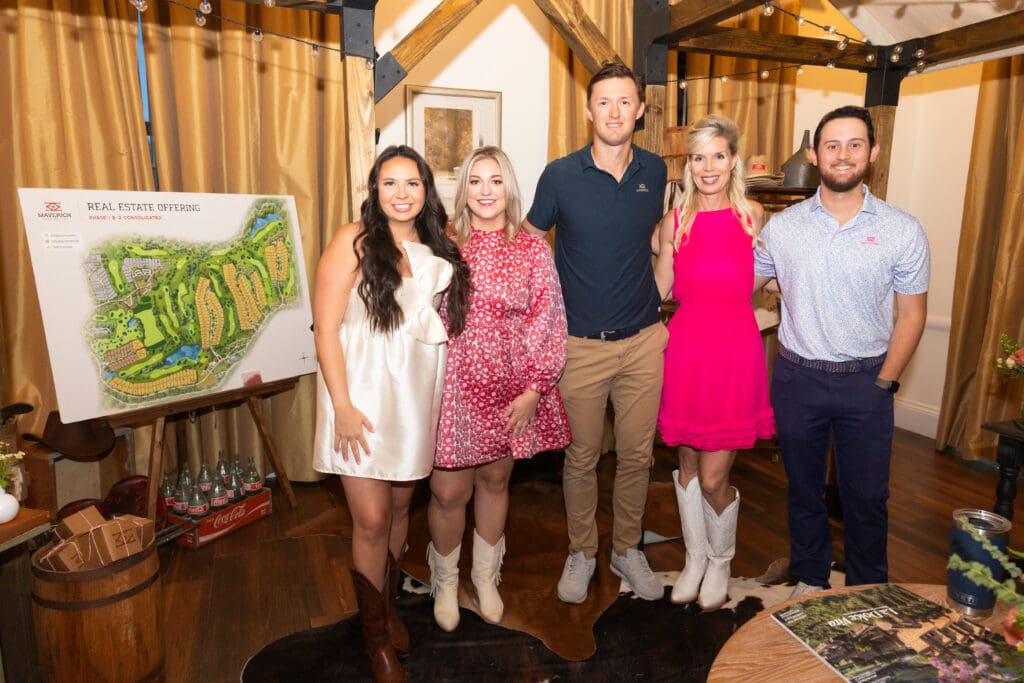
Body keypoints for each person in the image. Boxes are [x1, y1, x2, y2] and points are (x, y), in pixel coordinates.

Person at [753, 105, 929, 597]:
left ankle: (869, 589)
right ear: (815, 155)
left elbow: (913, 315)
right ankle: (809, 577)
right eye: (832, 145)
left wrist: (885, 383)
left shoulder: (903, 229)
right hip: (797, 379)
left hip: (866, 381)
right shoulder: (783, 227)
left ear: (872, 153)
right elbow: (740, 282)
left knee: (867, 497)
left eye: (855, 144)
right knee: (803, 490)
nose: (843, 155)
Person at [312, 145, 471, 683]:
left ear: (426, 191)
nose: (401, 194)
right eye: (390, 184)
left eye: (412, 184)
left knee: (403, 513)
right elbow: (326, 329)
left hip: (413, 400)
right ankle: (375, 640)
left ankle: (388, 609)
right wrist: (342, 407)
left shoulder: (435, 248)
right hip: (360, 399)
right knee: (373, 519)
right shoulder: (350, 241)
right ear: (374, 192)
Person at [524, 63, 669, 603]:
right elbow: (530, 243)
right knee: (582, 457)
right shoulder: (560, 175)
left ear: (639, 110)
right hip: (579, 345)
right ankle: (582, 551)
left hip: (643, 341)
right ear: (589, 110)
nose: (613, 112)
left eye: (623, 102)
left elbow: (658, 238)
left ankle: (627, 549)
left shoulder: (655, 171)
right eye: (603, 102)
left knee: (638, 457)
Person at [427, 146, 572, 631]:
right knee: (449, 492)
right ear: (463, 190)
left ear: (508, 188)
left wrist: (534, 389)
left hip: (510, 390)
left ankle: (486, 577)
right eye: (475, 181)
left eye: (495, 181)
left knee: (494, 481)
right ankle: (445, 583)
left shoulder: (532, 249)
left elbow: (547, 319)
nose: (486, 191)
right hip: (452, 389)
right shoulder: (441, 245)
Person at [653, 115, 776, 611]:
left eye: (718, 156)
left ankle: (721, 559)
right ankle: (695, 558)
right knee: (685, 466)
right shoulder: (674, 221)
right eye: (699, 157)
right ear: (689, 164)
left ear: (733, 161)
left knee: (712, 478)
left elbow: (775, 278)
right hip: (684, 349)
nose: (708, 166)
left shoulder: (754, 216)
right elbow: (659, 290)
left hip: (734, 351)